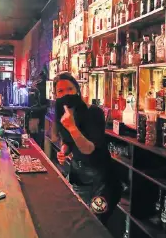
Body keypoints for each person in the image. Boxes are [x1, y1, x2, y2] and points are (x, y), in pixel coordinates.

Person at [53, 72, 121, 225]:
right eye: (60, 91)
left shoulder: (93, 112)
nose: (66, 94)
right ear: (56, 95)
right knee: (77, 223)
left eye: (70, 89)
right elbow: (68, 142)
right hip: (78, 177)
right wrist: (63, 151)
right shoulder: (62, 112)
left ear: (78, 90)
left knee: (93, 226)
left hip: (101, 182)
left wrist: (72, 127)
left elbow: (89, 149)